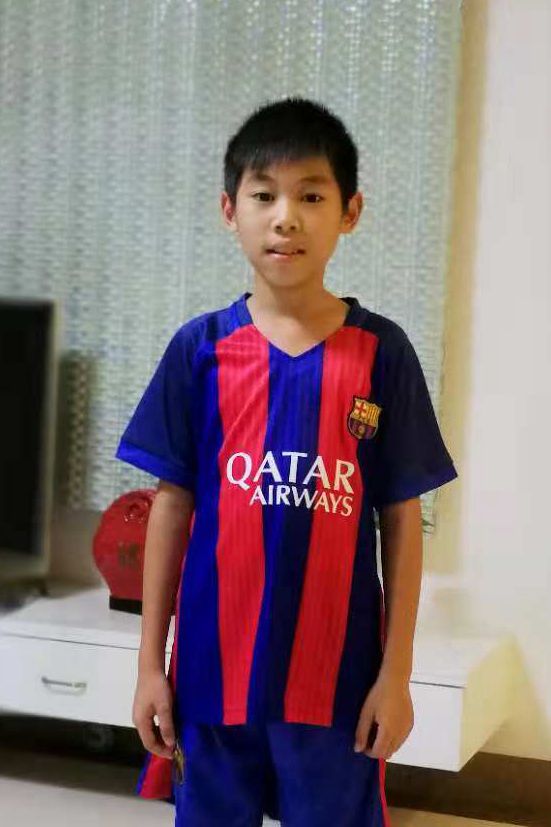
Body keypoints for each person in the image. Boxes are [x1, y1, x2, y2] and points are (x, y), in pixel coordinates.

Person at [115, 96, 458, 826]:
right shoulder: (200, 348)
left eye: (311, 196)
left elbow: (400, 518)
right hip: (211, 674)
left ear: (350, 211)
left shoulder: (381, 352)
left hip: (337, 682)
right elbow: (171, 506)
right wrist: (149, 665)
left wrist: (396, 674)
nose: (285, 218)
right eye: (263, 195)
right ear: (229, 209)